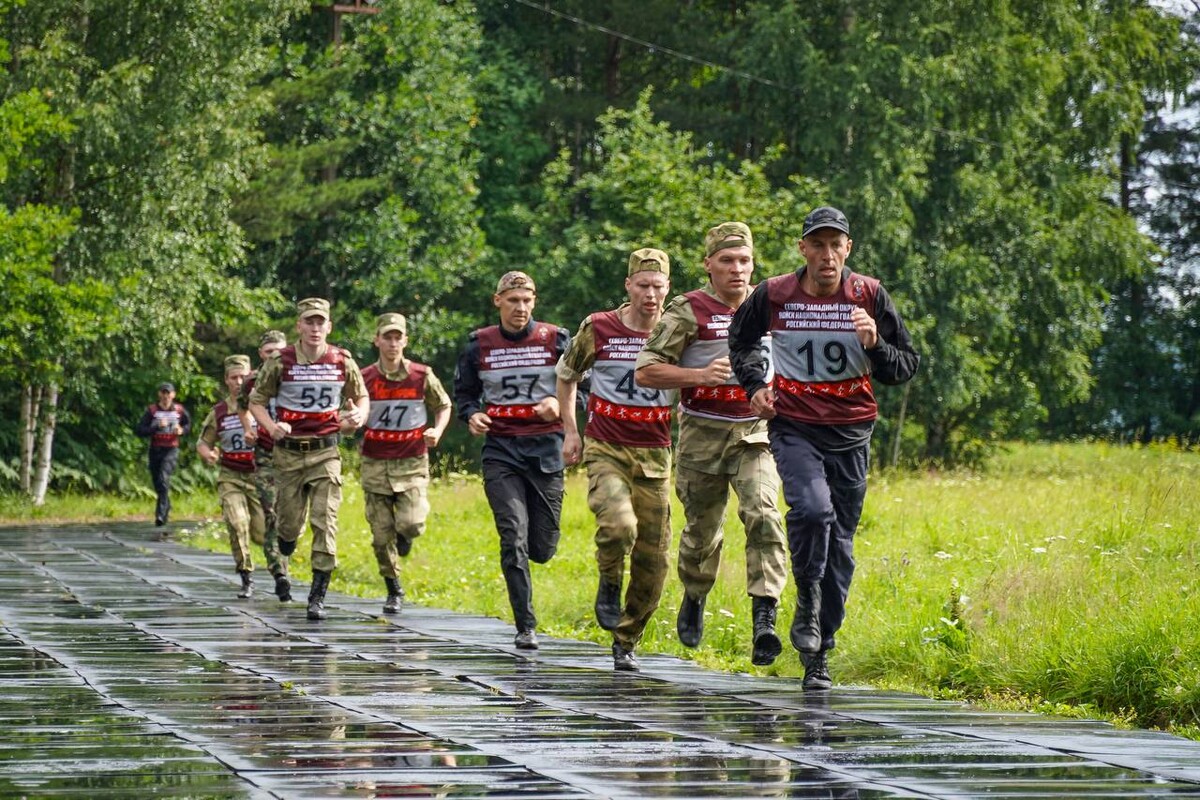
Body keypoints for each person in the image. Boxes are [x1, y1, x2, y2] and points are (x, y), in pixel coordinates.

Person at [729, 206, 920, 690]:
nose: (827, 254)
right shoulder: (773, 293)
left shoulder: (868, 294)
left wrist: (876, 345)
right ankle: (808, 604)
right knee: (813, 512)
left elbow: (905, 366)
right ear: (803, 249)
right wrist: (755, 385)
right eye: (818, 244)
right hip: (794, 426)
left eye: (836, 245)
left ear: (848, 249)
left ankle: (819, 654)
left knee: (842, 548)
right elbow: (741, 340)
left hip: (852, 432)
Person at [635, 222, 788, 667]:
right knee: (702, 534)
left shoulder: (774, 305)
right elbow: (646, 370)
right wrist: (698, 376)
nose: (736, 270)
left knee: (764, 514)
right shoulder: (689, 311)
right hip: (702, 434)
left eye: (743, 261)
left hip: (754, 434)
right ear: (708, 266)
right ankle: (696, 594)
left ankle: (765, 617)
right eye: (726, 261)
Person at [556, 248, 674, 672]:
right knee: (618, 525)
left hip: (656, 455)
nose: (650, 294)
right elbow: (566, 376)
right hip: (605, 446)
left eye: (658, 287)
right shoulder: (599, 327)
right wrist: (571, 431)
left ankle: (627, 638)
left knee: (654, 557)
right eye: (643, 285)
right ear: (628, 286)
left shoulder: (675, 330)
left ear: (668, 289)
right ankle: (608, 581)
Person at [453, 271, 569, 650]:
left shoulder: (556, 340)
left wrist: (559, 403)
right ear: (498, 301)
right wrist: (472, 414)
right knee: (512, 537)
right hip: (501, 451)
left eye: (527, 300)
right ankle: (526, 625)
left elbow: (581, 387)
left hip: (546, 450)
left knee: (542, 548)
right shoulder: (478, 345)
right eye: (513, 300)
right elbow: (465, 394)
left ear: (534, 301)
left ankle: (529, 601)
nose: (521, 308)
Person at [247, 298, 369, 621]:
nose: (315, 329)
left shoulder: (342, 360)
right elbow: (256, 400)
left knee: (325, 520)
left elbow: (362, 396)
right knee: (288, 524)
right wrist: (271, 427)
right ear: (299, 326)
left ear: (329, 326)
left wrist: (358, 415)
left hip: (326, 452)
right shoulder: (281, 362)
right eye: (309, 322)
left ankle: (317, 596)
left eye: (321, 323)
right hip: (288, 454)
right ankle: (287, 540)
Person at [359, 312, 452, 614]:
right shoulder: (364, 378)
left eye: (398, 337)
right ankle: (393, 587)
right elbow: (350, 409)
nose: (393, 343)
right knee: (380, 535)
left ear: (405, 341)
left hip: (411, 461)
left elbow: (443, 404)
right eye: (387, 337)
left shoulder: (421, 375)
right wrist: (349, 420)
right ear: (377, 340)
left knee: (411, 524)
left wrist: (437, 431)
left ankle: (405, 535)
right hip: (375, 462)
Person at [197, 355, 266, 599]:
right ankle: (246, 575)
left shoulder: (263, 405)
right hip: (231, 475)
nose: (239, 382)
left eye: (243, 377)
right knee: (237, 523)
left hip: (259, 477)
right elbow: (203, 442)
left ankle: (280, 569)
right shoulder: (219, 412)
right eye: (234, 377)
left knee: (261, 533)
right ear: (226, 380)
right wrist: (208, 455)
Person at [239, 329, 291, 602]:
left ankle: (283, 557)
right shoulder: (251, 382)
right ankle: (279, 572)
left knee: (291, 518)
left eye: (279, 351)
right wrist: (249, 428)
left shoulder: (295, 375)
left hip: (295, 456)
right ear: (261, 354)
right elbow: (242, 407)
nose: (274, 356)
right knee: (272, 513)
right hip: (266, 457)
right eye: (269, 352)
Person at [135, 381, 192, 527]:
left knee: (163, 477)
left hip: (171, 449)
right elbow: (140, 430)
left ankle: (160, 515)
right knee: (158, 483)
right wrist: (156, 427)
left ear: (173, 395)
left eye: (168, 393)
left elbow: (188, 425)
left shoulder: (179, 410)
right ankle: (166, 506)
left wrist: (182, 431)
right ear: (159, 394)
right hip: (155, 449)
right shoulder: (152, 411)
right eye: (163, 393)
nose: (166, 396)